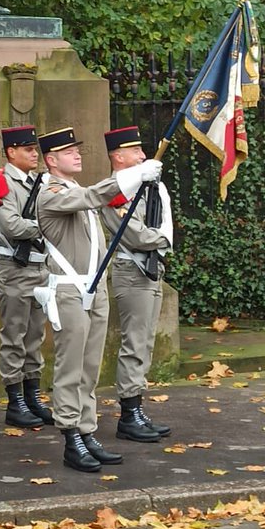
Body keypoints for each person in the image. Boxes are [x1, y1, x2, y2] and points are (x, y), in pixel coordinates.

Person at [34, 126, 163, 472]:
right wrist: (134, 174)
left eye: (77, 149)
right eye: (68, 151)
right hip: (69, 290)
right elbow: (93, 197)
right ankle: (70, 435)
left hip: (94, 289)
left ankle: (87, 431)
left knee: (89, 369)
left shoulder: (76, 189)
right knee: (70, 369)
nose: (77, 154)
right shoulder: (51, 194)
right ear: (51, 160)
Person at [102, 126, 173, 443]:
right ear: (118, 156)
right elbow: (135, 235)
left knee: (144, 342)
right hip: (132, 269)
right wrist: (165, 239)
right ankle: (128, 415)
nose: (143, 156)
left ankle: (136, 408)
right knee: (135, 343)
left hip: (150, 270)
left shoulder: (145, 187)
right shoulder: (116, 192)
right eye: (135, 151)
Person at [0, 126, 51, 428]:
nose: (34, 154)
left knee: (36, 335)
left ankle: (32, 395)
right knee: (15, 335)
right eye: (27, 149)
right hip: (14, 269)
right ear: (11, 152)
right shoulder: (0, 184)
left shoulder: (41, 182)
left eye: (34, 149)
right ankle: (15, 401)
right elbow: (11, 226)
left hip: (40, 267)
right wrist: (48, 224)